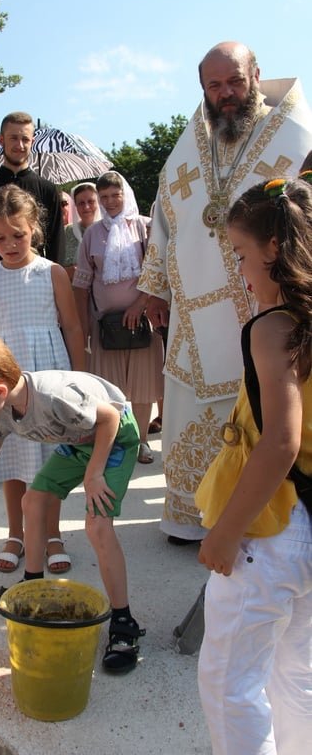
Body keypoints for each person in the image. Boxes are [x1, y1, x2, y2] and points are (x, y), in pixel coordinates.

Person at [136, 41, 312, 542]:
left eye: (234, 81)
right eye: (214, 86)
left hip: (268, 302)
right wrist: (154, 287)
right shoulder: (193, 140)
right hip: (195, 308)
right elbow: (165, 210)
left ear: (256, 74)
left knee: (270, 409)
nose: (226, 94)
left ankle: (265, 519)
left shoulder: (298, 134)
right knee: (194, 411)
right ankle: (190, 519)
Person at [0, 329, 145, 674]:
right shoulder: (3, 409)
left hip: (114, 439)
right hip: (79, 441)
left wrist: (93, 475)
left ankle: (123, 620)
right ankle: (32, 585)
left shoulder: (55, 397)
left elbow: (110, 417)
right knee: (34, 501)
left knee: (97, 526)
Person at [195, 177, 312, 754]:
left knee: (228, 681)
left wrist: (225, 531)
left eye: (241, 254)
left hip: (270, 531)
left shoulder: (274, 329)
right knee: (299, 676)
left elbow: (279, 444)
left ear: (273, 249)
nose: (239, 269)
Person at [0, 185, 84, 573]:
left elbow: (71, 327)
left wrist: (77, 378)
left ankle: (52, 533)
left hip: (47, 374)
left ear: (34, 227)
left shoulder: (52, 273)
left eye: (18, 235)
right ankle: (16, 533)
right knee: (12, 456)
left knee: (49, 458)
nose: (9, 244)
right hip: (5, 380)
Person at [73, 171, 164, 463]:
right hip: (105, 325)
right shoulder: (92, 234)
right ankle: (115, 443)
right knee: (109, 389)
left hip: (140, 321)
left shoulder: (144, 228)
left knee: (142, 387)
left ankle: (141, 443)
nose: (110, 202)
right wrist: (83, 327)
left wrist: (140, 305)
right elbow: (82, 284)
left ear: (125, 194)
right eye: (105, 197)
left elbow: (157, 273)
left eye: (115, 195)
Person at [0, 111, 64, 263]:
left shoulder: (48, 189)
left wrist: (55, 277)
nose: (20, 145)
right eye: (14, 138)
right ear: (1, 140)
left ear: (32, 142)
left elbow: (56, 242)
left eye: (25, 139)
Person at [62, 181, 100, 281]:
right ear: (76, 206)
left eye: (91, 201)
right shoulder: (67, 232)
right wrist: (69, 271)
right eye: (81, 203)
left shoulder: (107, 231)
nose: (86, 207)